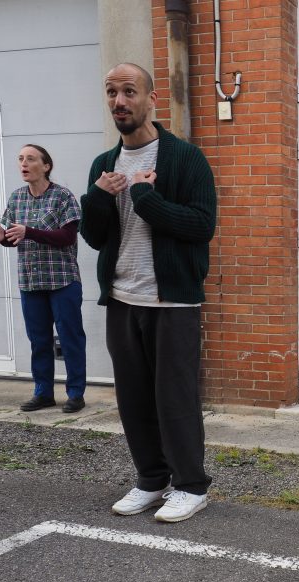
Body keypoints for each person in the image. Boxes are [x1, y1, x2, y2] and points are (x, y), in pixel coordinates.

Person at [79, 63, 217, 523]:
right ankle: (151, 480)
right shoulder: (104, 164)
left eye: (129, 92)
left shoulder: (185, 158)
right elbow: (95, 237)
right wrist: (98, 197)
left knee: (174, 397)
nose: (119, 101)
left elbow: (202, 226)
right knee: (133, 398)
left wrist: (145, 199)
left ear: (150, 98)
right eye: (111, 92)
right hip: (121, 299)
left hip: (172, 301)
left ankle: (191, 486)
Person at [0, 145, 87, 413]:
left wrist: (29, 231)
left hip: (62, 280)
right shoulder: (17, 197)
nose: (24, 163)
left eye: (30, 159)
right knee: (38, 340)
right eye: (20, 159)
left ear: (46, 166)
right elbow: (15, 236)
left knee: (70, 338)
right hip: (31, 281)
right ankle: (43, 393)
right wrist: (3, 237)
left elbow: (67, 237)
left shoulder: (63, 196)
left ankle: (76, 393)